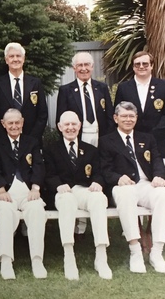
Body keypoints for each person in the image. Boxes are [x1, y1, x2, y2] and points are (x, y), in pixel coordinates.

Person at [99, 101, 165, 273]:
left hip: (146, 185)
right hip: (123, 186)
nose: (128, 119)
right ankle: (135, 251)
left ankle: (157, 253)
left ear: (136, 118)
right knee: (125, 195)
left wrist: (159, 177)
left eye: (131, 116)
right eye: (124, 116)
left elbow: (157, 161)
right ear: (115, 118)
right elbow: (105, 170)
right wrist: (118, 178)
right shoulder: (106, 141)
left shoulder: (147, 138)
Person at [44, 111, 112, 280]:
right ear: (60, 127)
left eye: (74, 124)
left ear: (80, 126)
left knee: (99, 198)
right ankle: (69, 255)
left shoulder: (90, 150)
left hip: (83, 191)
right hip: (63, 192)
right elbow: (47, 174)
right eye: (66, 124)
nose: (70, 128)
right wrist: (58, 185)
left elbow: (99, 172)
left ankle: (101, 256)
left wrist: (98, 182)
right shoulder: (50, 150)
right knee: (67, 201)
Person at [0, 109, 47, 280]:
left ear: (22, 122)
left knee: (37, 210)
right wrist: (0, 189)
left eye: (17, 122)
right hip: (6, 192)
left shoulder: (32, 142)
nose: (14, 126)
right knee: (5, 212)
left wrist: (35, 188)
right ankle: (6, 261)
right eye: (10, 123)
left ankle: (37, 260)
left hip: (28, 191)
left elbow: (39, 166)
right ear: (3, 124)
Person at [114, 51, 165, 164]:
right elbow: (118, 115)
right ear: (133, 67)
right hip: (131, 143)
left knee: (158, 179)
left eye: (145, 63)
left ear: (152, 66)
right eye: (137, 64)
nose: (141, 66)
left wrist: (152, 135)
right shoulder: (124, 88)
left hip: (159, 143)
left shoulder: (164, 86)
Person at [0, 42, 48, 145]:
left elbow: (42, 115)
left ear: (23, 59)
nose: (15, 59)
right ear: (6, 60)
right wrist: (5, 139)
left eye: (18, 56)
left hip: (32, 141)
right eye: (11, 56)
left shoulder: (35, 83)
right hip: (4, 143)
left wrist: (31, 139)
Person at [56, 52, 114, 147]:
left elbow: (110, 116)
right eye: (80, 65)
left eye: (87, 64)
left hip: (101, 137)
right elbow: (60, 119)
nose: (83, 69)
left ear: (92, 66)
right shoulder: (65, 91)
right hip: (78, 137)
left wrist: (108, 138)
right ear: (74, 68)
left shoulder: (102, 88)